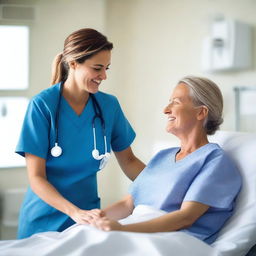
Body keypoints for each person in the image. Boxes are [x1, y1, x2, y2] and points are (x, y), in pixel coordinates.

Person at [15, 28, 145, 239]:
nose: (103, 76)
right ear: (73, 63)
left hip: (89, 220)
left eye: (106, 68)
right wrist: (75, 212)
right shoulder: (42, 106)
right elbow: (36, 177)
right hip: (43, 221)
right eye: (97, 68)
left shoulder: (108, 106)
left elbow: (129, 161)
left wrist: (164, 183)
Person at [86, 75, 242, 244]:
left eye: (176, 102)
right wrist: (95, 218)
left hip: (171, 239)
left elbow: (185, 217)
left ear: (201, 112)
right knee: (78, 237)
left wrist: (122, 230)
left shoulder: (215, 161)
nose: (166, 109)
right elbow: (127, 204)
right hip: (135, 227)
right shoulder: (163, 156)